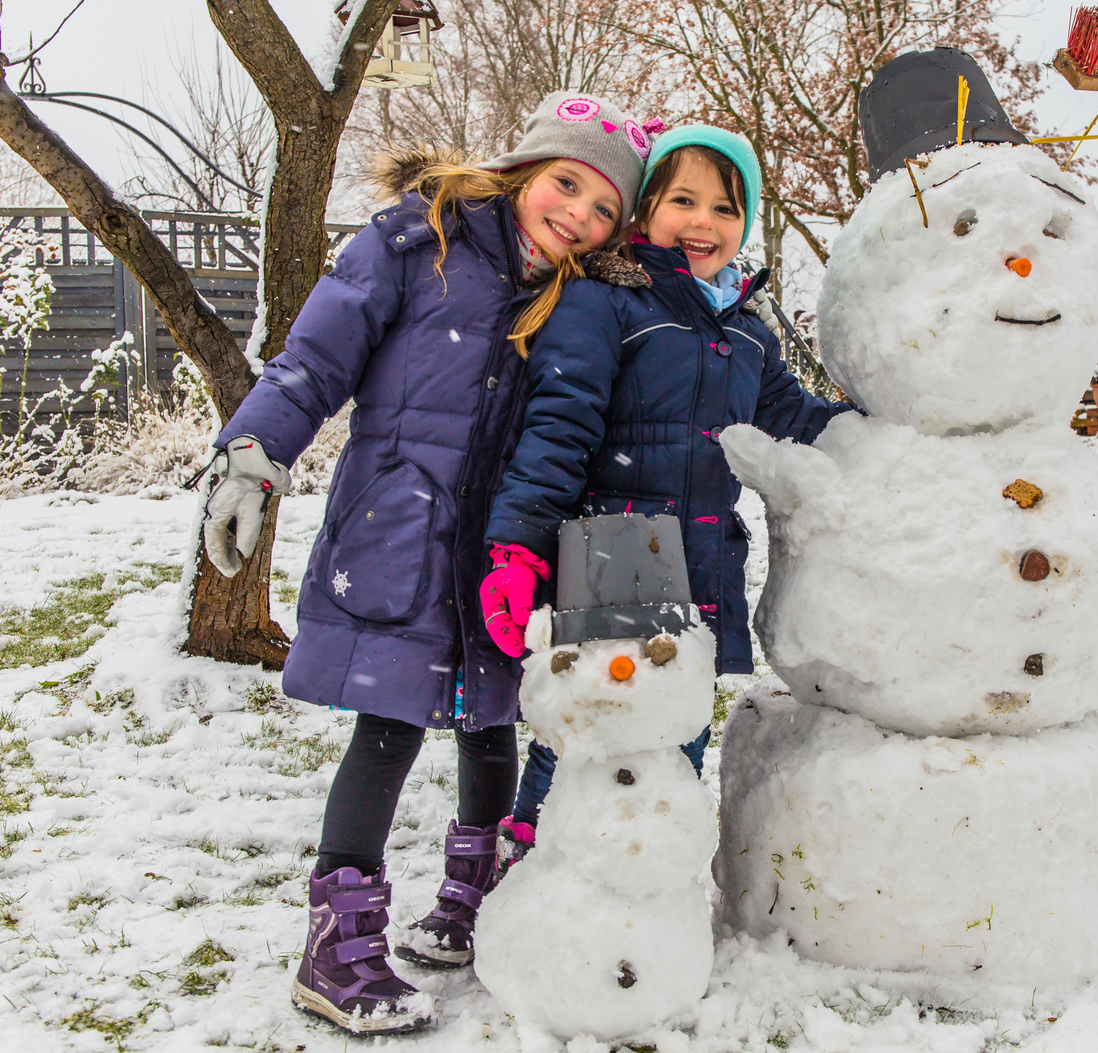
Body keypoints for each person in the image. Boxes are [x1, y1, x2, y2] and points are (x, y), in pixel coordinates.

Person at [199, 92, 656, 1035]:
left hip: (500, 549)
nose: (577, 213)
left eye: (604, 207)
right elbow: (313, 360)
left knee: (492, 721)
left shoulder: (581, 295)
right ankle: (338, 946)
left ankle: (472, 905)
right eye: (566, 184)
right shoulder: (419, 243)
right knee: (389, 725)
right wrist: (255, 453)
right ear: (528, 169)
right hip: (401, 530)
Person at [479, 125, 857, 852]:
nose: (702, 222)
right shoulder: (606, 305)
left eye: (724, 207)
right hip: (615, 553)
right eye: (683, 200)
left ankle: (650, 892)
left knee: (678, 730)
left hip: (707, 556)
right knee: (589, 733)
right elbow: (558, 429)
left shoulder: (747, 331)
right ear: (646, 211)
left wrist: (885, 429)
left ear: (743, 224)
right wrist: (518, 545)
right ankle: (537, 865)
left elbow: (795, 419)